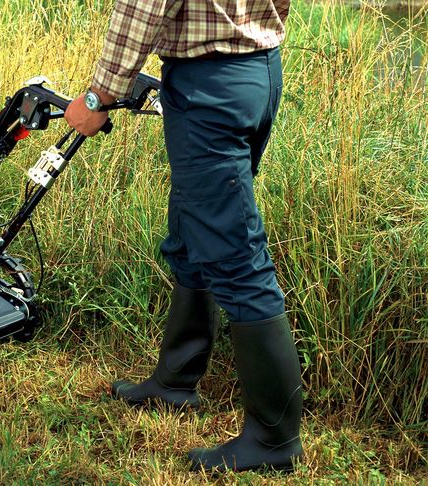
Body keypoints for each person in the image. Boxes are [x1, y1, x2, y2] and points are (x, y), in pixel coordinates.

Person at [64, 0, 303, 474]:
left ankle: (274, 439)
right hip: (256, 73)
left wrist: (98, 97)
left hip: (209, 88)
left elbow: (141, 8)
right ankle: (176, 379)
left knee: (236, 258)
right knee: (195, 233)